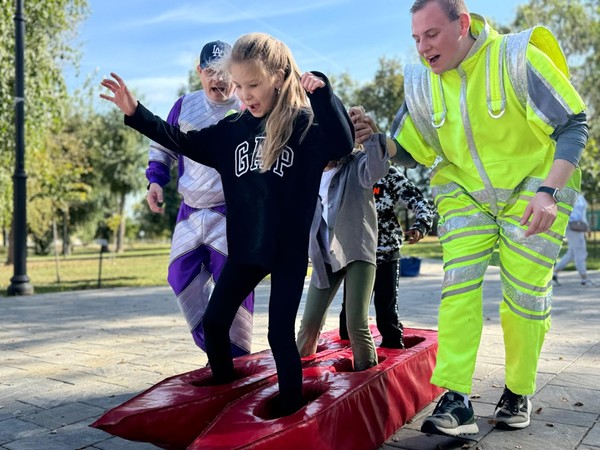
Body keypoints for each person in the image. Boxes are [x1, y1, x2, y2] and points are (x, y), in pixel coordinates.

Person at [100, 32, 356, 416]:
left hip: (286, 255)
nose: (245, 94)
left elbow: (342, 142)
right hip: (245, 252)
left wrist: (322, 91)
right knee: (216, 322)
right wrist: (136, 112)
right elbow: (179, 139)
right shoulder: (232, 130)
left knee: (279, 335)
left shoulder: (305, 126)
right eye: (239, 85)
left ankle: (289, 411)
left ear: (279, 77)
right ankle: (222, 386)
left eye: (253, 85)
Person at [371, 0, 588, 437]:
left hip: (534, 187)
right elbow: (411, 149)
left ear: (462, 24)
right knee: (459, 285)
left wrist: (548, 191)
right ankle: (457, 398)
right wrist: (377, 142)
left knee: (525, 293)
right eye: (415, 38)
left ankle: (517, 390)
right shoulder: (421, 82)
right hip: (466, 192)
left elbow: (573, 122)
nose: (422, 48)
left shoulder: (517, 57)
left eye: (430, 35)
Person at [145, 40, 254, 357]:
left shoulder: (246, 105)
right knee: (179, 275)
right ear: (199, 72)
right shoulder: (184, 104)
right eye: (210, 72)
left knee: (233, 284)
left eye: (223, 73)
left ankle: (239, 357)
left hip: (231, 212)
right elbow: (163, 144)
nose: (217, 80)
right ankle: (216, 350)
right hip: (190, 210)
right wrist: (156, 181)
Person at [296, 107, 392, 372]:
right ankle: (300, 374)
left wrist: (372, 138)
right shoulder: (309, 174)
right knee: (309, 323)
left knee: (356, 323)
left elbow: (377, 168)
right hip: (325, 257)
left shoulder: (356, 165)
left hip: (356, 251)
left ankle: (366, 377)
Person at [339, 162, 435, 349]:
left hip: (386, 252)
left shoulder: (388, 174)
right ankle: (344, 352)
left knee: (386, 310)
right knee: (349, 312)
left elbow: (420, 202)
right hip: (356, 253)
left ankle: (393, 345)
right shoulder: (348, 170)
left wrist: (421, 226)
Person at [553, 193, 596, 286]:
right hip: (574, 226)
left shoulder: (579, 195)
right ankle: (585, 279)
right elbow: (575, 214)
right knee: (580, 251)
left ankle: (554, 273)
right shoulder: (572, 194)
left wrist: (586, 226)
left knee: (571, 253)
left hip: (577, 226)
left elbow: (582, 213)